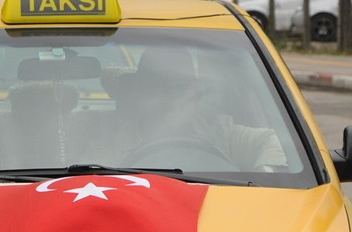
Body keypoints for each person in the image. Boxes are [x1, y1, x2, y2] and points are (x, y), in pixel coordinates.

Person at [121, 47, 287, 172]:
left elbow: (279, 142)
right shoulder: (110, 136)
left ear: (195, 90)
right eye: (160, 85)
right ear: (140, 90)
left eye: (181, 85)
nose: (173, 95)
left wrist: (265, 173)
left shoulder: (219, 131)